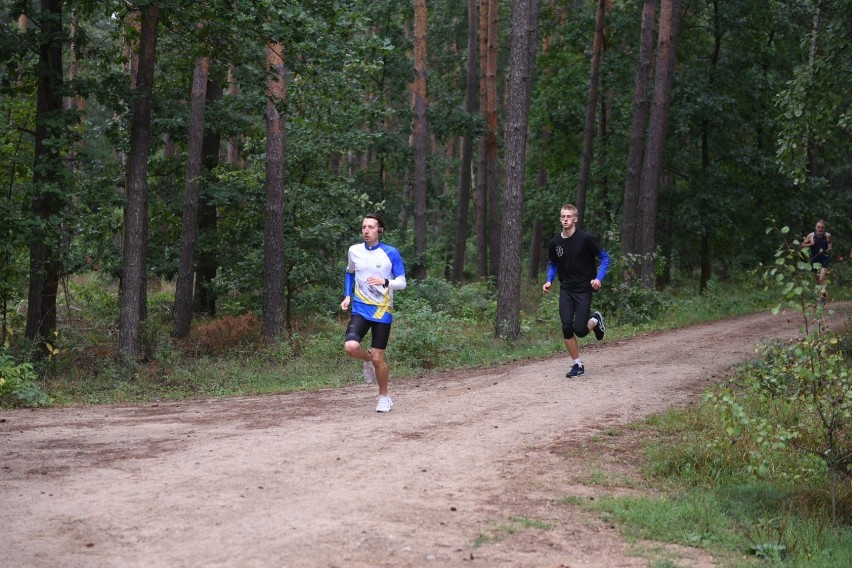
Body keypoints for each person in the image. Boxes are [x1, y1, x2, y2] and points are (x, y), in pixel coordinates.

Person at [340, 213, 407, 412]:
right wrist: (347, 295)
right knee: (351, 346)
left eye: (370, 227)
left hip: (382, 310)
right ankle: (367, 361)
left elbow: (402, 283)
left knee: (379, 359)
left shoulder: (390, 253)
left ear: (380, 230)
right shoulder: (354, 251)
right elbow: (350, 272)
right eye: (363, 227)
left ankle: (384, 397)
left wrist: (385, 282)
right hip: (360, 307)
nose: (366, 231)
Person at [542, 204, 610, 378]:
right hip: (566, 289)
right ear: (560, 219)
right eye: (563, 216)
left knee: (580, 330)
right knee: (566, 326)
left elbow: (604, 257)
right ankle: (577, 364)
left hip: (583, 289)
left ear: (575, 219)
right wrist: (549, 281)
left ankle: (595, 319)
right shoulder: (555, 242)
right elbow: (553, 263)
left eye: (568, 217)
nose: (565, 219)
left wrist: (598, 279)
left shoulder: (585, 239)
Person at [801, 219, 832, 303]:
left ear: (824, 228)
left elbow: (830, 242)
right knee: (818, 280)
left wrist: (829, 248)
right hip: (814, 259)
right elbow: (802, 245)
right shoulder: (811, 235)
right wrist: (810, 244)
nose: (820, 229)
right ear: (816, 228)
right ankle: (822, 293)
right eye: (818, 227)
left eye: (822, 227)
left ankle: (823, 297)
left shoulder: (827, 235)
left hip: (825, 259)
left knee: (822, 278)